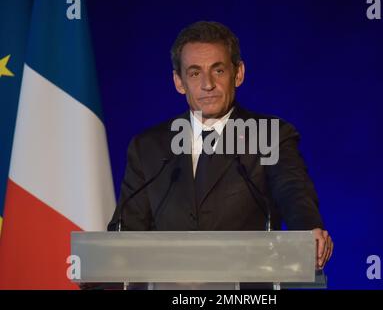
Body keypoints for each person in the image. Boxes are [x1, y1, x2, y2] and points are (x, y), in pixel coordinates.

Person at [108, 21, 333, 270]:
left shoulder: (269, 135)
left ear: (238, 74)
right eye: (194, 73)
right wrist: (102, 265)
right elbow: (126, 229)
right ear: (178, 81)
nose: (207, 84)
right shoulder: (148, 147)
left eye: (218, 71)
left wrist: (307, 229)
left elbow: (293, 190)